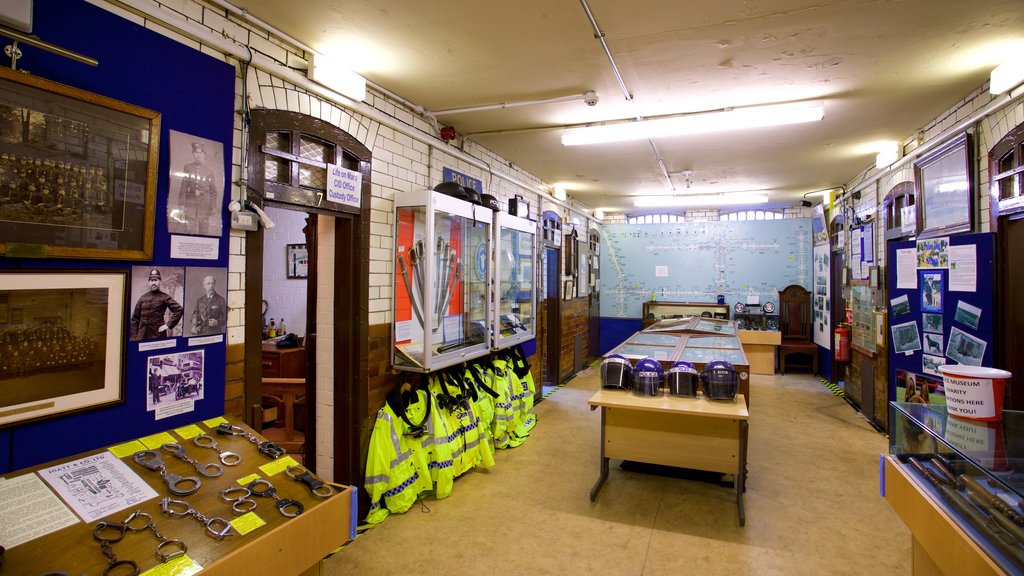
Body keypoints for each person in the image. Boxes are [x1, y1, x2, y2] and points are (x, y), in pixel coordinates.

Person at [171, 142, 217, 235]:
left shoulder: (209, 171)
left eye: (200, 153)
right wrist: (182, 204)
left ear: (204, 155)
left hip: (204, 204)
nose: (198, 156)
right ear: (193, 154)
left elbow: (213, 191)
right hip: (190, 204)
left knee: (203, 231)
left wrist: (212, 206)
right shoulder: (188, 167)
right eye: (196, 153)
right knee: (188, 230)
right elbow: (183, 187)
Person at [130, 268, 183, 341]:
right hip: (142, 335)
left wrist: (168, 325)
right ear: (149, 283)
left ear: (160, 282)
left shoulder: (165, 297)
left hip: (158, 334)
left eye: (156, 280)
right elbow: (134, 319)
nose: (153, 283)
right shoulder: (142, 298)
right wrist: (133, 338)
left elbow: (179, 310)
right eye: (152, 280)